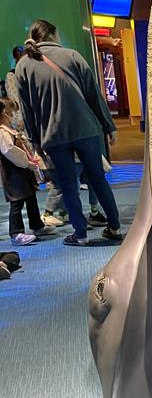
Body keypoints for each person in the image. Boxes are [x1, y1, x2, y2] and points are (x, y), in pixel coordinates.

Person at [15, 20, 123, 247]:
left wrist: (35, 142)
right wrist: (108, 125)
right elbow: (94, 94)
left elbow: (27, 109)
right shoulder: (73, 56)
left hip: (53, 136)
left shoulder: (23, 65)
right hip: (86, 130)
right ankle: (114, 227)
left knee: (68, 185)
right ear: (53, 35)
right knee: (98, 179)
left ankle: (80, 234)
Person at [0, 97, 55, 245]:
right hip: (13, 174)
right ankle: (16, 233)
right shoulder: (2, 132)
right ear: (5, 112)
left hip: (23, 171)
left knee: (31, 197)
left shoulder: (10, 129)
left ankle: (37, 225)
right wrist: (26, 162)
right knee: (17, 202)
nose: (14, 114)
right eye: (12, 111)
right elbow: (9, 151)